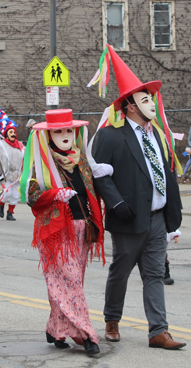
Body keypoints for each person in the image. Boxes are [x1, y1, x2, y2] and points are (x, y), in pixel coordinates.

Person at [91, 45, 185, 349]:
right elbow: (100, 175)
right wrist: (118, 204)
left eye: (153, 98)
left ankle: (158, 330)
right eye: (146, 99)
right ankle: (112, 318)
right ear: (129, 105)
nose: (152, 104)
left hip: (157, 219)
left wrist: (173, 215)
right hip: (128, 218)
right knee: (121, 270)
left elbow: (166, 174)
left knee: (155, 274)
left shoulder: (156, 133)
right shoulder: (110, 136)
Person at [22, 109, 104, 357]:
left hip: (83, 229)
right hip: (57, 232)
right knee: (68, 282)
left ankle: (55, 328)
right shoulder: (42, 161)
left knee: (71, 282)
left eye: (69, 130)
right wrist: (54, 195)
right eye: (58, 131)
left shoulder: (81, 160)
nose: (65, 135)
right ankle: (86, 334)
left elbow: (92, 190)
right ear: (49, 136)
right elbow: (31, 195)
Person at [0, 122, 25, 220]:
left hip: (17, 174)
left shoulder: (20, 145)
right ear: (6, 134)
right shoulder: (2, 144)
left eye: (14, 132)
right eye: (10, 132)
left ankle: (10, 213)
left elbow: (25, 157)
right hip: (6, 174)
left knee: (16, 195)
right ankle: (1, 204)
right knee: (7, 193)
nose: (13, 134)